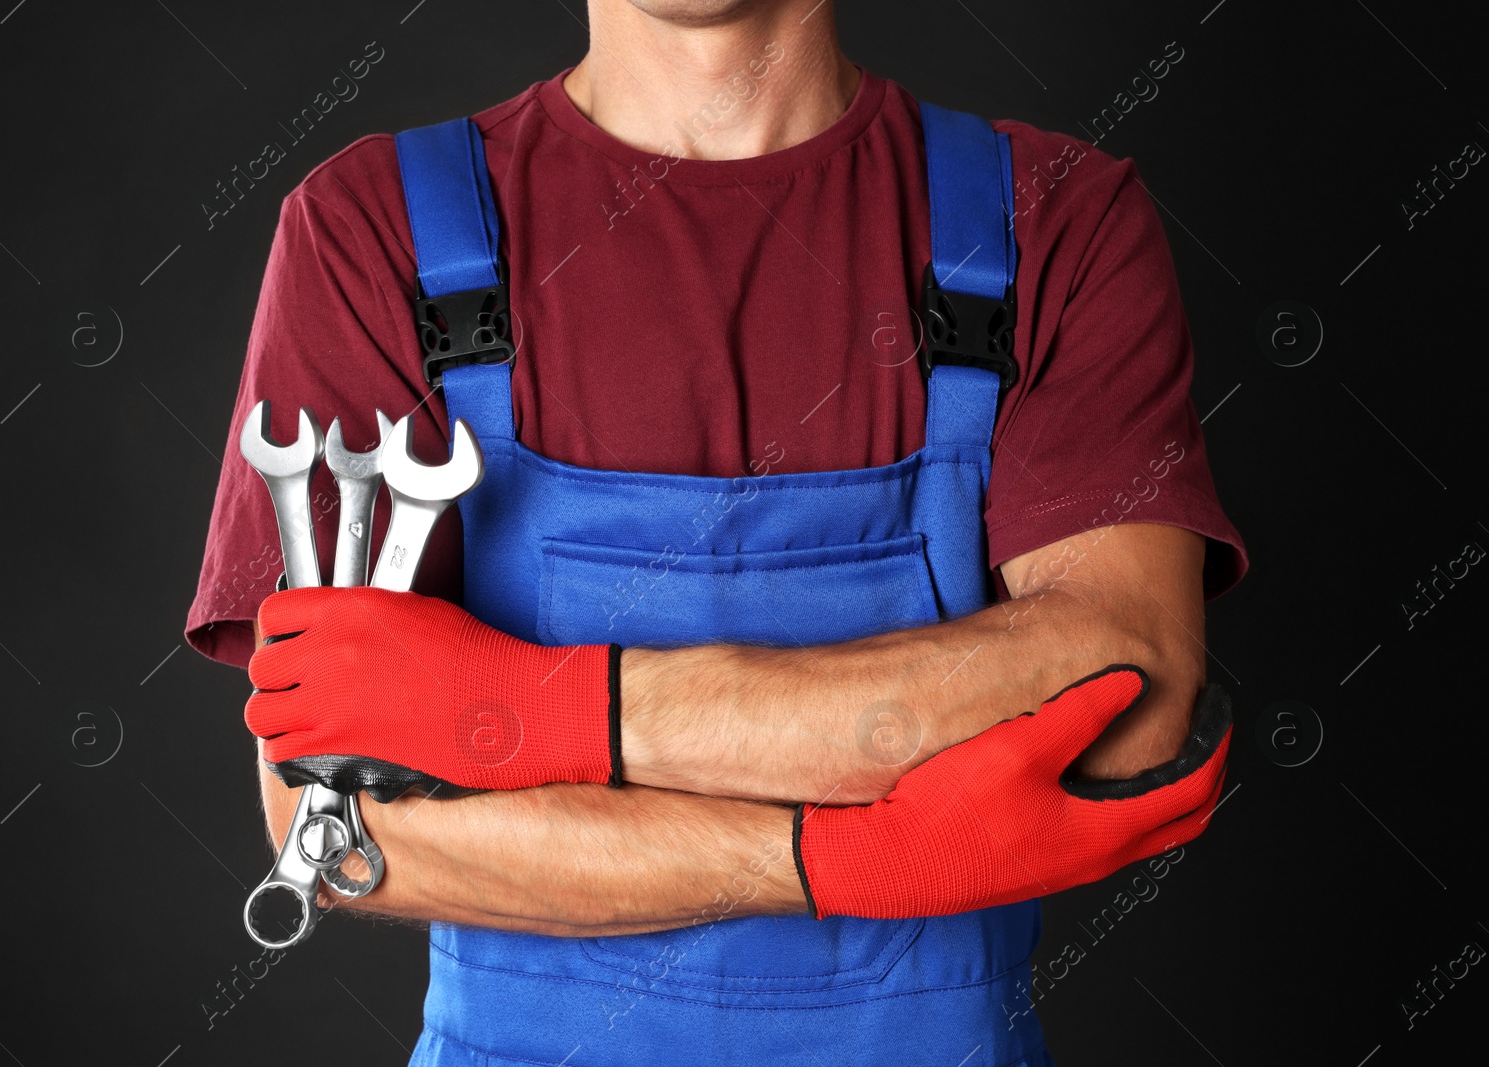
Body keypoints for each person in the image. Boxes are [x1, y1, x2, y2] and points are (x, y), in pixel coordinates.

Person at [187, 1, 1247, 1063]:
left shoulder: (1050, 220)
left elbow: (1126, 688)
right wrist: (852, 856)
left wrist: (534, 713)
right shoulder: (374, 231)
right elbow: (333, 821)